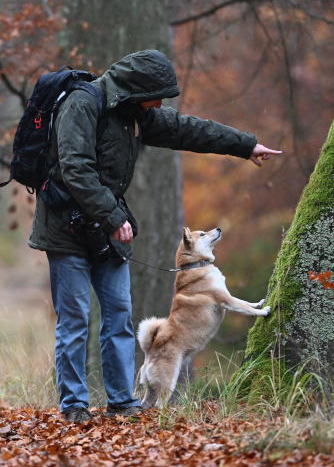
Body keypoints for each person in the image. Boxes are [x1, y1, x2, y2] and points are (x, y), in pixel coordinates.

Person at [28, 50, 280, 423]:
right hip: (65, 230)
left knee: (119, 316)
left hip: (108, 232)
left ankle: (120, 401)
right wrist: (114, 216)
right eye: (156, 95)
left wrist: (244, 145)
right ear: (134, 89)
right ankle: (74, 407)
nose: (159, 104)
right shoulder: (82, 105)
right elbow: (75, 168)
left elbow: (187, 129)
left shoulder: (136, 115)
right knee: (75, 319)